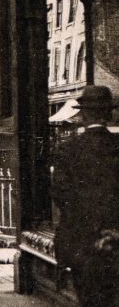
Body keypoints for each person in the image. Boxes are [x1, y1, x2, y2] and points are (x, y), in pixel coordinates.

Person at [52, 85, 119, 307]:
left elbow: (61, 195)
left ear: (83, 115)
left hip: (80, 244)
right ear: (109, 114)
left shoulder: (68, 149)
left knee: (88, 298)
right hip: (115, 241)